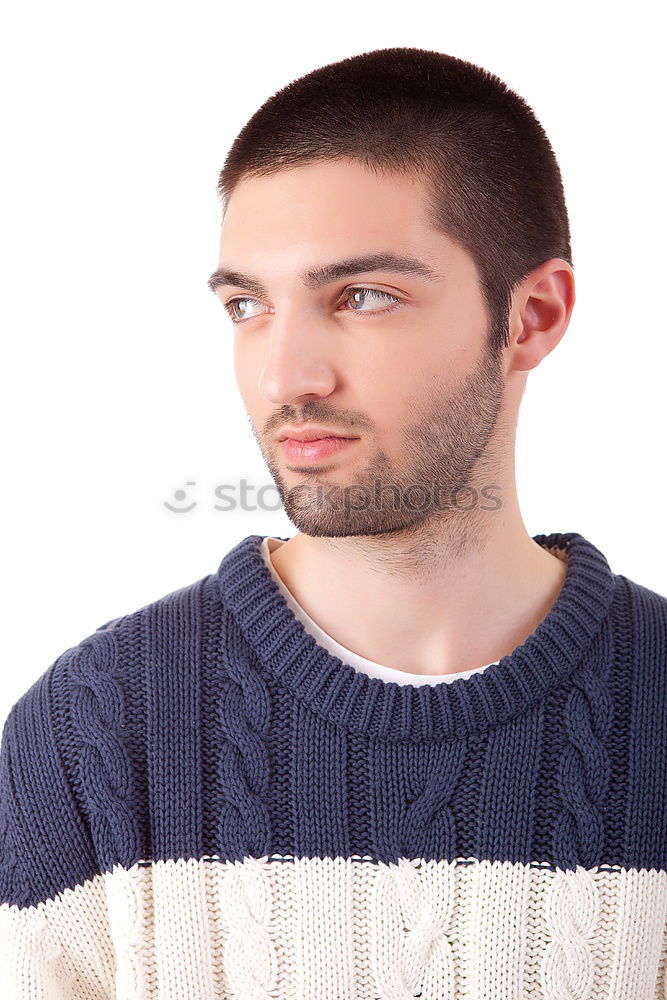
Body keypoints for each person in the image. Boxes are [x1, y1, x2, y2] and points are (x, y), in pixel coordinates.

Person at [1, 46, 666, 999]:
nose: (285, 377)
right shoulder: (89, 738)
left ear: (532, 316)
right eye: (247, 306)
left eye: (361, 297)